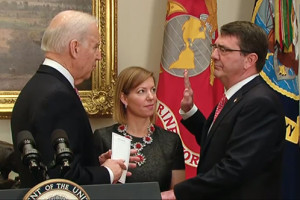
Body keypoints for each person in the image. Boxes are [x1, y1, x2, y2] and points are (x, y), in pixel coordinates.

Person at [161, 21, 286, 199]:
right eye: (215, 47)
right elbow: (219, 143)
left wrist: (177, 193)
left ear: (249, 60)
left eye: (224, 50)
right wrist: (191, 112)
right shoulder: (240, 95)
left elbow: (235, 167)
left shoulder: (260, 102)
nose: (213, 55)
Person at [11, 10, 135, 188]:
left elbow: (54, 162)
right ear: (75, 48)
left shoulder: (38, 86)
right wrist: (108, 172)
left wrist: (95, 164)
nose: (99, 55)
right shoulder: (56, 96)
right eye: (95, 47)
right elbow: (60, 179)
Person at [94, 66, 186, 191]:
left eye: (153, 90)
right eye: (141, 91)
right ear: (124, 98)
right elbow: (93, 189)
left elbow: (177, 193)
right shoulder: (103, 137)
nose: (151, 97)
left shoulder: (171, 141)